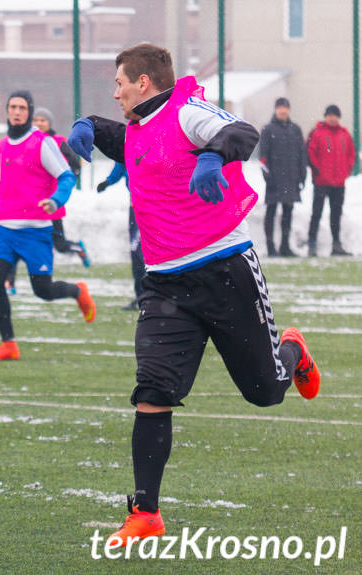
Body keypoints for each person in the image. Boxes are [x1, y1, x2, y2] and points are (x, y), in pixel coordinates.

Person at [67, 43, 320, 546]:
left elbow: (241, 132)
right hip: (165, 285)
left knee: (265, 392)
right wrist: (87, 127)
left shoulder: (186, 110)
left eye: (119, 82)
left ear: (143, 83)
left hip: (224, 270)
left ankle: (292, 351)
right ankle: (146, 513)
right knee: (153, 391)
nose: (114, 91)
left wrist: (211, 159)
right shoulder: (140, 128)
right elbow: (119, 136)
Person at [0, 90, 96, 363]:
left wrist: (55, 201)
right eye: (12, 107)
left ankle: (77, 291)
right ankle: (8, 344)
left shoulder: (42, 143)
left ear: (29, 113)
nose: (17, 112)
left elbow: (66, 178)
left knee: (43, 290)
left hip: (35, 230)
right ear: (7, 111)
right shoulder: (3, 145)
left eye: (22, 108)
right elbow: (0, 184)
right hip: (3, 228)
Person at [4, 107, 91, 294]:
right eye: (35, 120)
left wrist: (62, 188)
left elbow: (73, 167)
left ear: (49, 123)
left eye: (43, 120)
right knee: (17, 241)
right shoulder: (24, 142)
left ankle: (76, 247)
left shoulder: (57, 142)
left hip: (51, 206)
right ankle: (9, 282)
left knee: (59, 245)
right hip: (26, 204)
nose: (38, 124)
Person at [259, 97, 307, 257]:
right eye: (280, 107)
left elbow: (302, 154)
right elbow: (263, 157)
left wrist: (302, 175)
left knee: (288, 213)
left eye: (285, 108)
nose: (282, 111)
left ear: (289, 110)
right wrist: (268, 178)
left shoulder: (295, 130)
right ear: (275, 109)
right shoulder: (267, 130)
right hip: (274, 181)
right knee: (271, 213)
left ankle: (285, 246)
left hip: (291, 180)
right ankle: (270, 247)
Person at [306, 104, 356, 256]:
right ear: (326, 116)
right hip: (321, 182)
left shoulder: (344, 134)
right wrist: (317, 170)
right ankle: (312, 244)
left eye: (335, 115)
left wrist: (345, 171)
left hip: (338, 183)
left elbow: (351, 154)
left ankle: (336, 245)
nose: (333, 118)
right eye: (330, 115)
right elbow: (310, 152)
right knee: (317, 213)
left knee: (336, 214)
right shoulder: (317, 133)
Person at [95, 162, 145, 310]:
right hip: (136, 207)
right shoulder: (129, 142)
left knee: (146, 253)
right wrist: (108, 181)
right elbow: (121, 163)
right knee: (137, 253)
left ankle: (156, 298)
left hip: (155, 204)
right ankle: (142, 297)